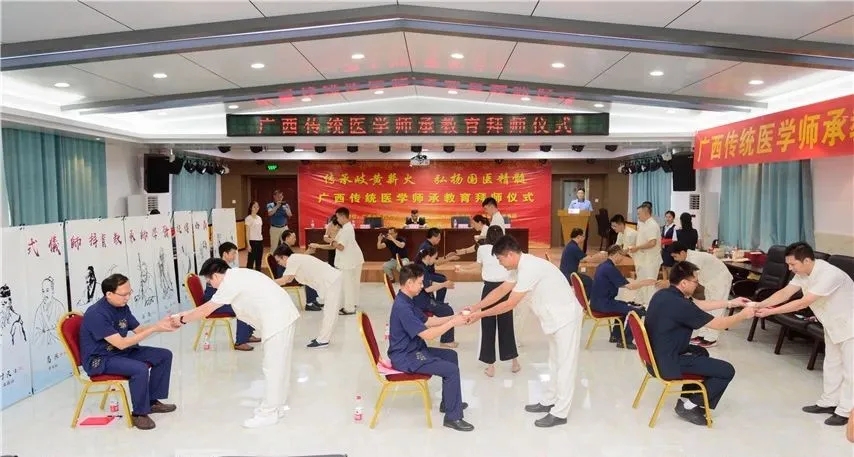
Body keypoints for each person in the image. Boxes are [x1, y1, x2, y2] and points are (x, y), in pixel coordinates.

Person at [466, 235, 583, 428]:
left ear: (510, 255)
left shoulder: (529, 268)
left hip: (565, 318)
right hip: (554, 319)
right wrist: (476, 307)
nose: (500, 264)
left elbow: (509, 303)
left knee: (565, 365)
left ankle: (560, 412)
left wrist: (480, 315)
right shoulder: (518, 268)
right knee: (554, 362)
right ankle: (549, 401)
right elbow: (501, 290)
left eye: (500, 259)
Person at [172, 258, 300, 428]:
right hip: (283, 314)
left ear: (215, 276)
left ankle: (269, 413)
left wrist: (181, 319)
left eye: (209, 281)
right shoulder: (238, 274)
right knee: (280, 365)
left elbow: (207, 309)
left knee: (273, 367)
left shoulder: (229, 283)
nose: (211, 285)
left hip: (277, 319)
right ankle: (277, 407)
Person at [752, 242, 854, 427]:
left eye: (793, 264)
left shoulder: (829, 274)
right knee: (832, 364)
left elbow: (802, 303)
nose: (790, 269)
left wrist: (770, 312)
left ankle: (846, 411)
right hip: (832, 323)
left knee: (850, 370)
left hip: (850, 325)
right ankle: (829, 402)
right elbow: (785, 293)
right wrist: (759, 304)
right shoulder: (803, 273)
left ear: (807, 260)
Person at [644, 261, 754, 426]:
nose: (698, 284)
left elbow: (699, 305)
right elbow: (719, 324)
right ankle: (689, 406)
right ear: (684, 283)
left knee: (701, 352)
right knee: (726, 370)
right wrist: (743, 315)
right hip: (667, 362)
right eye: (695, 281)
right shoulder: (680, 305)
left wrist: (732, 303)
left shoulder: (663, 295)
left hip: (656, 355)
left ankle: (685, 399)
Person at [79, 274, 177, 430]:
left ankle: (151, 402)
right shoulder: (96, 314)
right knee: (139, 369)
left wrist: (163, 326)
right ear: (109, 294)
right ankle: (139, 414)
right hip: (100, 359)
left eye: (129, 292)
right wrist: (154, 328)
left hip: (120, 352)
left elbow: (139, 330)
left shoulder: (122, 306)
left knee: (164, 355)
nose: (128, 297)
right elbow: (121, 343)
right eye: (124, 294)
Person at [388, 264, 473, 431]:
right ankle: (453, 417)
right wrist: (452, 323)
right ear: (409, 283)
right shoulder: (403, 307)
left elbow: (428, 321)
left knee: (451, 356)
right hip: (406, 356)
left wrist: (455, 317)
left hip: (413, 349)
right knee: (450, 370)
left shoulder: (407, 300)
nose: (422, 286)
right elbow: (428, 335)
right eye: (420, 283)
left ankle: (448, 403)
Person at [455, 226, 520, 376]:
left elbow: (477, 266)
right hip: (506, 287)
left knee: (488, 326)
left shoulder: (482, 249)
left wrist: (463, 269)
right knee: (507, 325)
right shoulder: (506, 251)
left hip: (489, 289)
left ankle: (490, 367)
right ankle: (514, 362)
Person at [273, 245, 343, 348]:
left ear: (283, 257)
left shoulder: (292, 260)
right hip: (332, 280)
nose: (279, 264)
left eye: (278, 261)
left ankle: (323, 340)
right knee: (330, 312)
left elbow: (285, 280)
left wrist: (267, 282)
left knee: (330, 312)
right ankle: (323, 337)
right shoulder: (295, 259)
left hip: (331, 281)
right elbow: (289, 279)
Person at [590, 245, 657, 349]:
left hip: (596, 302)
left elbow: (622, 283)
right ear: (616, 254)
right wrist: (646, 282)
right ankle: (625, 341)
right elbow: (630, 287)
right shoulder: (610, 268)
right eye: (622, 255)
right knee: (636, 312)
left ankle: (615, 336)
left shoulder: (603, 266)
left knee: (624, 306)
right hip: (604, 304)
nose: (622, 258)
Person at [669, 241, 734, 348]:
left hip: (720, 280)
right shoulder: (689, 258)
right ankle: (702, 335)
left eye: (675, 256)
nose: (675, 259)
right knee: (707, 308)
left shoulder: (694, 259)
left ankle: (711, 339)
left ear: (682, 253)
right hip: (709, 282)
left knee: (716, 309)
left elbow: (690, 280)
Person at [204, 242, 260, 351]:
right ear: (225, 254)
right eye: (233, 253)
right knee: (241, 308)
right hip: (214, 303)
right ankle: (240, 342)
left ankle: (247, 335)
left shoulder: (224, 267)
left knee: (249, 304)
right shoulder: (218, 268)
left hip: (221, 300)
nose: (235, 256)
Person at [310, 207, 364, 315]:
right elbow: (334, 245)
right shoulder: (344, 228)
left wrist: (331, 240)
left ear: (343, 216)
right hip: (349, 260)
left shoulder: (347, 229)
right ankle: (350, 305)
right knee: (348, 284)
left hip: (350, 261)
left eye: (338, 217)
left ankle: (349, 308)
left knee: (348, 285)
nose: (337, 220)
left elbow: (340, 247)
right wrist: (319, 245)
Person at [413, 246, 459, 348]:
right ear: (428, 257)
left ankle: (439, 305)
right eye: (434, 258)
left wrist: (442, 284)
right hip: (422, 301)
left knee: (444, 306)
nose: (435, 261)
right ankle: (446, 341)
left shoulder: (421, 266)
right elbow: (428, 288)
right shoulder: (421, 269)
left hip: (422, 298)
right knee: (447, 311)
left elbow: (428, 283)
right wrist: (444, 284)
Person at [279, 230, 322, 311]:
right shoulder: (283, 249)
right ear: (287, 238)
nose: (295, 239)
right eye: (293, 237)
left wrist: (308, 252)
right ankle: (309, 304)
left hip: (289, 272)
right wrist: (308, 252)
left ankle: (313, 300)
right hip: (286, 275)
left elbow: (296, 260)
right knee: (308, 277)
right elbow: (296, 261)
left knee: (311, 274)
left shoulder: (285, 247)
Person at [626, 204, 661, 305]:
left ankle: (649, 304)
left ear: (646, 213)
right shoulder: (643, 224)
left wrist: (637, 247)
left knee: (649, 283)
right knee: (640, 280)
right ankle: (639, 301)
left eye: (639, 214)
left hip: (650, 260)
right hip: (642, 258)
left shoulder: (652, 225)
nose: (637, 216)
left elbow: (652, 243)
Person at [417, 228, 459, 304]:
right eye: (438, 237)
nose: (439, 239)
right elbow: (437, 262)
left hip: (426, 271)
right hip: (423, 273)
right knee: (442, 280)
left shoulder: (427, 244)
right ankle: (439, 303)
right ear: (433, 237)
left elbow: (435, 260)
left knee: (442, 278)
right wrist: (451, 258)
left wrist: (447, 257)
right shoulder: (427, 247)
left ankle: (439, 302)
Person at [559, 228, 604, 292]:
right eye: (583, 236)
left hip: (566, 274)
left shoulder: (571, 245)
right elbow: (589, 259)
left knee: (586, 278)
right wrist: (600, 256)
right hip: (569, 275)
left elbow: (582, 259)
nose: (584, 238)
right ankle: (586, 298)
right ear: (578, 237)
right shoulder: (574, 247)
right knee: (589, 281)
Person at [245, 200, 264, 270]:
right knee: (251, 261)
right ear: (251, 208)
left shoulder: (259, 218)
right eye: (254, 207)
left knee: (259, 261)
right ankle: (248, 275)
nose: (256, 208)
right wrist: (248, 244)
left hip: (260, 241)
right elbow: (247, 233)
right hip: (252, 242)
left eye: (257, 207)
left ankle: (258, 274)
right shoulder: (248, 218)